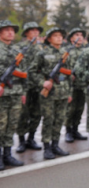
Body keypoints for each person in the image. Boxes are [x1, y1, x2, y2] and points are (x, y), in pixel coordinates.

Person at [31, 28, 72, 159]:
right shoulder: (42, 53)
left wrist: (70, 92)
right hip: (49, 92)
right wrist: (42, 83)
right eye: (55, 36)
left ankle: (55, 145)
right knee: (49, 119)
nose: (59, 38)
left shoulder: (65, 53)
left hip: (63, 91)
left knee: (59, 119)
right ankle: (47, 147)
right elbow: (32, 71)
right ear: (49, 39)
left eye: (60, 36)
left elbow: (69, 74)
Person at [0, 20, 26, 169]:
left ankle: (8, 155)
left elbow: (23, 74)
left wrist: (23, 92)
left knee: (12, 125)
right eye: (6, 30)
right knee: (1, 125)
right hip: (2, 93)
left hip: (15, 92)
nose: (10, 32)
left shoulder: (17, 51)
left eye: (12, 30)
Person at [15, 22, 44, 153]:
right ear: (26, 33)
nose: (35, 33)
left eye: (36, 31)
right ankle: (21, 140)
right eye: (31, 31)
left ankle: (31, 138)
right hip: (24, 86)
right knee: (23, 114)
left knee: (37, 113)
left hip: (37, 86)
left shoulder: (41, 49)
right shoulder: (19, 47)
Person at [65, 27, 88, 143]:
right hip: (72, 85)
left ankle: (75, 129)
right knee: (70, 109)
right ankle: (68, 131)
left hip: (83, 84)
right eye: (76, 35)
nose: (80, 37)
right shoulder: (68, 52)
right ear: (71, 38)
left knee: (80, 108)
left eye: (81, 35)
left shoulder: (86, 51)